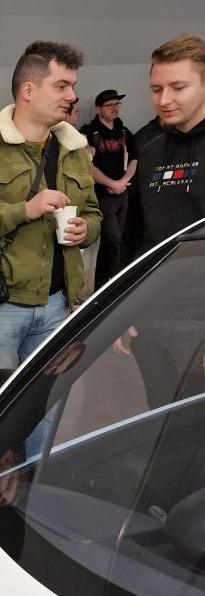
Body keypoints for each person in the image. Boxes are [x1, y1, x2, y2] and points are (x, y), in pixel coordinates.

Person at [0, 42, 101, 425]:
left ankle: (31, 468)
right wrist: (23, 211)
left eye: (72, 86)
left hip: (58, 305)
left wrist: (85, 229)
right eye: (61, 86)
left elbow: (94, 214)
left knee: (45, 410)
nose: (72, 96)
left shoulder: (74, 150)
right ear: (28, 89)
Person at [116, 35, 205, 405]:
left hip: (198, 320)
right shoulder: (150, 152)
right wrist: (122, 310)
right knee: (161, 420)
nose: (164, 99)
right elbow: (133, 237)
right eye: (156, 89)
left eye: (178, 87)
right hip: (151, 318)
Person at [80, 89, 137, 287]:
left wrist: (123, 182)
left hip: (123, 193)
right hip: (102, 194)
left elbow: (134, 158)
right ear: (98, 109)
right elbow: (87, 165)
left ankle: (107, 285)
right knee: (112, 239)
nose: (115, 108)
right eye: (109, 105)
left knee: (118, 240)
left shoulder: (124, 132)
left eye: (117, 104)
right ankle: (111, 283)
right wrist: (112, 184)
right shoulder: (89, 132)